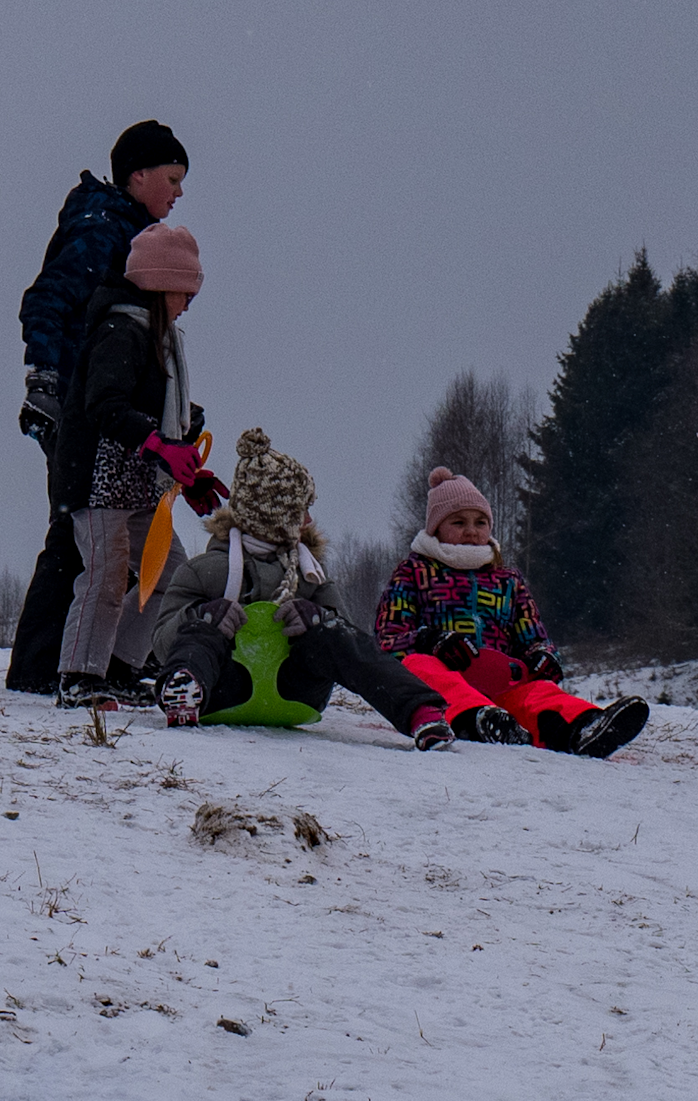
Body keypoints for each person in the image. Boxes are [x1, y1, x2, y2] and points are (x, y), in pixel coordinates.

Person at [7, 121, 190, 694]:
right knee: (77, 534)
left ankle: (97, 662)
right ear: (138, 176)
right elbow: (48, 297)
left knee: (91, 540)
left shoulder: (133, 237)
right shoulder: (102, 229)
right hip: (80, 408)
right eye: (172, 178)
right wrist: (44, 381)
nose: (179, 193)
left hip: (109, 414)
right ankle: (48, 669)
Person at [154, 430, 457, 747]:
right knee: (199, 625)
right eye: (301, 511)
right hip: (220, 689)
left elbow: (347, 643)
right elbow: (162, 643)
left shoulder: (310, 573)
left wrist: (318, 618)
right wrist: (204, 616)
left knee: (328, 629)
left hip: (294, 690)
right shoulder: (205, 570)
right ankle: (184, 692)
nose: (310, 521)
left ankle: (421, 711)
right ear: (270, 516)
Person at [48, 219, 222, 707]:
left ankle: (121, 666)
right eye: (185, 288)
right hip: (95, 480)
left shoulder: (161, 341)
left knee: (173, 579)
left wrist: (187, 469)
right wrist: (163, 447)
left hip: (142, 484)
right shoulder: (120, 332)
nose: (191, 301)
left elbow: (169, 416)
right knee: (105, 574)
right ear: (160, 284)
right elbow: (104, 405)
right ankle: (79, 675)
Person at [371, 470, 650, 756]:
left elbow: (532, 634)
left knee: (538, 693)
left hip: (500, 681)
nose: (471, 531)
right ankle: (476, 720)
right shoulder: (414, 573)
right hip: (445, 677)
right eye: (458, 522)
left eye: (480, 523)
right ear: (436, 528)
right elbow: (387, 639)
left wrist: (542, 655)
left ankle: (582, 727)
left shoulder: (508, 581)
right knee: (419, 665)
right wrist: (431, 639)